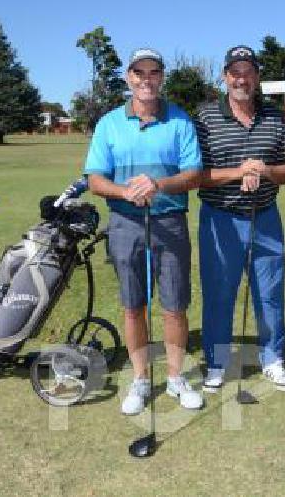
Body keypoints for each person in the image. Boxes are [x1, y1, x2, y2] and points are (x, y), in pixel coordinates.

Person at [84, 48, 204, 415]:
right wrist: (126, 191)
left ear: (161, 77)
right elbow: (94, 179)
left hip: (169, 222)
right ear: (129, 77)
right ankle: (139, 379)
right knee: (134, 306)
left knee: (174, 306)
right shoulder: (109, 124)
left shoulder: (180, 121)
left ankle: (174, 377)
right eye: (139, 73)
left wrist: (159, 185)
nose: (146, 79)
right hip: (124, 224)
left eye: (154, 72)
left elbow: (194, 173)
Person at [195, 45, 285, 393]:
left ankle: (273, 359)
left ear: (257, 77)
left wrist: (264, 171)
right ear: (225, 77)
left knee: (269, 293)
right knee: (220, 294)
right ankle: (217, 363)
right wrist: (238, 172)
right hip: (219, 219)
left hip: (265, 218)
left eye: (248, 72)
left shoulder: (274, 117)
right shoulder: (206, 118)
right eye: (235, 72)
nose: (242, 79)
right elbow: (197, 175)